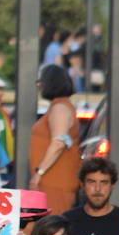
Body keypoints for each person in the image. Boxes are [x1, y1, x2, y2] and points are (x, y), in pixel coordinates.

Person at [29, 63, 81, 214]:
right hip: (53, 180)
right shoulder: (58, 107)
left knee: (50, 225)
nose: (39, 86)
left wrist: (39, 172)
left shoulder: (60, 109)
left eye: (41, 82)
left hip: (55, 181)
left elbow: (59, 142)